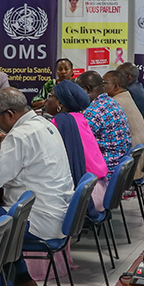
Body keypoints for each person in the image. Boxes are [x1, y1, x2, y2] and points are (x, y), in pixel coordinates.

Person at [0, 88, 73, 286]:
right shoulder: (46, 125)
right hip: (58, 215)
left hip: (39, 221)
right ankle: (23, 279)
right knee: (2, 216)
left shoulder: (20, 135)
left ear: (10, 114)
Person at [48, 81, 108, 211]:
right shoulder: (79, 118)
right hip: (101, 189)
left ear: (60, 104)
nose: (47, 100)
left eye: (51, 96)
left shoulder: (61, 121)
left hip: (87, 195)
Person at [77, 70, 132, 178]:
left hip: (107, 173)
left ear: (87, 90)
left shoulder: (94, 111)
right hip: (119, 169)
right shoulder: (112, 102)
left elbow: (76, 141)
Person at [103, 69, 144, 172]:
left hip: (131, 164)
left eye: (104, 83)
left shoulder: (114, 103)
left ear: (116, 86)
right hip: (139, 156)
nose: (101, 87)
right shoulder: (126, 97)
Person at [117, 61, 144, 136]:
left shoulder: (129, 92)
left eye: (118, 75)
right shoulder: (137, 86)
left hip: (143, 133)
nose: (116, 78)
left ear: (128, 76)